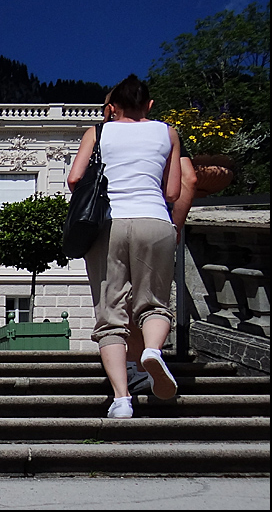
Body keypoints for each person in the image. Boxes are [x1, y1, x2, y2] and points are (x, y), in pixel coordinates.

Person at [67, 74, 181, 418]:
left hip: (110, 225)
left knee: (110, 313)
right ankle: (153, 352)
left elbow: (74, 178)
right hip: (156, 222)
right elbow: (173, 191)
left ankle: (121, 399)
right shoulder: (168, 132)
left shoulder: (98, 132)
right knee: (155, 303)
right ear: (148, 104)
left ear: (111, 107)